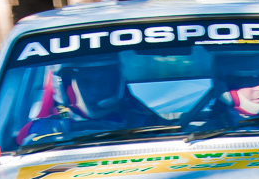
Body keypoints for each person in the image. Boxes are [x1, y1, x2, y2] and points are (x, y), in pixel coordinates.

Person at [16, 55, 158, 147]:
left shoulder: (148, 125)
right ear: (65, 85)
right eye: (86, 82)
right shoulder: (38, 131)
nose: (96, 90)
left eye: (104, 81)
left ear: (117, 82)